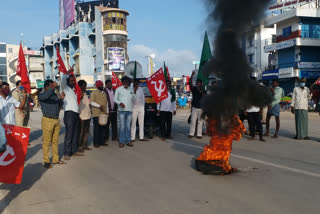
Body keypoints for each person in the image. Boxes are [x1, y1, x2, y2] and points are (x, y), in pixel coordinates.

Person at [39, 80, 65, 169]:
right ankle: (46, 161)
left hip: (56, 120)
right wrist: (52, 88)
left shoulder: (54, 95)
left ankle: (55, 159)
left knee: (55, 141)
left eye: (52, 86)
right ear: (46, 87)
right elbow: (46, 96)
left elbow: (59, 105)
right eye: (50, 86)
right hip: (47, 120)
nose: (52, 87)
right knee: (47, 142)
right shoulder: (42, 94)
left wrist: (61, 99)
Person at [61, 70, 81, 160]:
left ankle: (74, 150)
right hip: (69, 113)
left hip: (76, 113)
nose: (73, 82)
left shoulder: (73, 91)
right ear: (68, 82)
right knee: (69, 134)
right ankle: (66, 153)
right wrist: (67, 73)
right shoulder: (65, 88)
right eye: (71, 81)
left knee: (75, 133)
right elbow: (62, 81)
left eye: (74, 81)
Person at [114, 76, 135, 148]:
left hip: (129, 110)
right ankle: (121, 141)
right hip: (122, 111)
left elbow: (133, 98)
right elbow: (115, 99)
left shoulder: (131, 90)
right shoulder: (118, 89)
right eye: (125, 81)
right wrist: (120, 103)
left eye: (127, 82)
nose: (126, 83)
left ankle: (128, 141)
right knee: (122, 127)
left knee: (128, 127)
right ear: (122, 82)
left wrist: (133, 93)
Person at [90, 80, 108, 148]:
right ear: (97, 86)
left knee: (103, 128)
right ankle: (96, 143)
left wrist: (107, 112)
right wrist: (99, 106)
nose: (101, 86)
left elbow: (106, 104)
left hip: (103, 113)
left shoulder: (104, 93)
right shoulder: (94, 92)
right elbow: (91, 102)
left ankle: (102, 141)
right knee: (96, 129)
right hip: (96, 113)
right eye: (100, 85)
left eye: (102, 85)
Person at [188, 75, 206, 139]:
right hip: (194, 107)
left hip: (201, 108)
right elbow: (190, 83)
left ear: (201, 84)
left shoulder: (203, 90)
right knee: (193, 121)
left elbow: (204, 96)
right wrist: (192, 76)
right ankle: (191, 133)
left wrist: (200, 90)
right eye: (197, 82)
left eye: (199, 82)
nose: (198, 83)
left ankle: (199, 134)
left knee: (200, 121)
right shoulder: (194, 89)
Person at [78, 80, 91, 152]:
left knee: (86, 132)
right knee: (81, 132)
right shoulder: (78, 94)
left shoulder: (85, 94)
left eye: (85, 86)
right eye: (84, 86)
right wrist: (78, 115)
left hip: (87, 115)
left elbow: (87, 105)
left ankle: (85, 145)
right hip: (81, 116)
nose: (85, 87)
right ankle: (79, 146)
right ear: (80, 86)